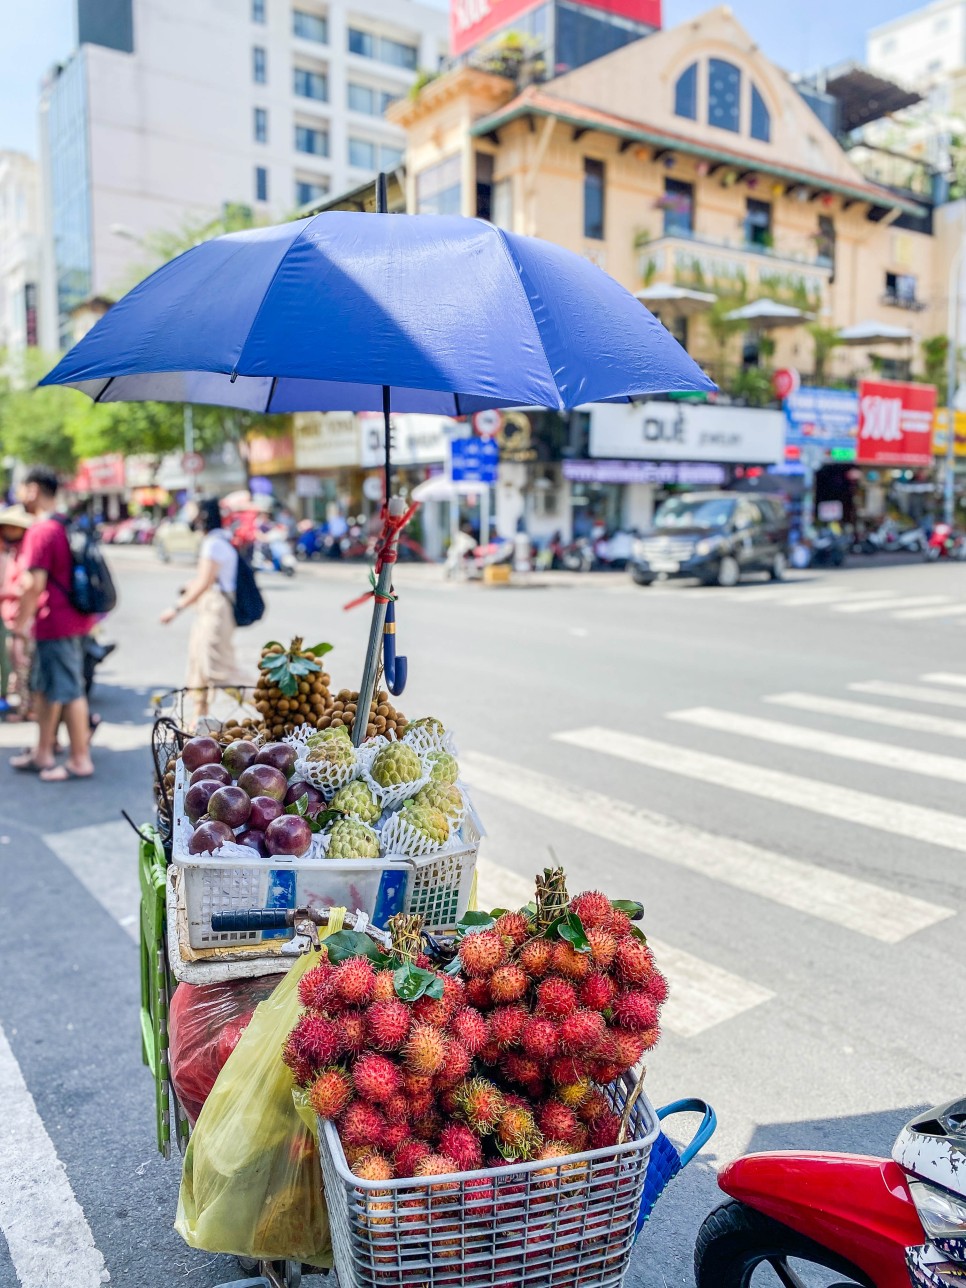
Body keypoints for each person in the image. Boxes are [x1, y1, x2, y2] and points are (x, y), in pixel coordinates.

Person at [10, 468, 96, 780]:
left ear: (33, 489)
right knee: (45, 689)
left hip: (55, 623)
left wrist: (18, 631)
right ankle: (43, 752)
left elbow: (33, 585)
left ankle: (79, 760)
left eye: (21, 488)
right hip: (71, 621)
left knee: (70, 691)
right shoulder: (63, 524)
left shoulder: (41, 530)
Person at [160, 497, 246, 717]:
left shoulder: (214, 544)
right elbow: (205, 580)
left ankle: (271, 703)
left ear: (203, 516)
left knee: (218, 670)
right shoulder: (217, 541)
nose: (188, 517)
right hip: (210, 607)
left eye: (191, 512)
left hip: (217, 609)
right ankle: (198, 722)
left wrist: (176, 608)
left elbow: (204, 583)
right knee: (198, 665)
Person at [0, 505, 34, 718]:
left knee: (23, 665)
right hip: (12, 618)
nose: (10, 532)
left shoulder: (26, 554)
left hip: (24, 618)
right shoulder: (12, 553)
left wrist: (4, 593)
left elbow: (27, 586)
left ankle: (28, 709)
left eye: (15, 528)